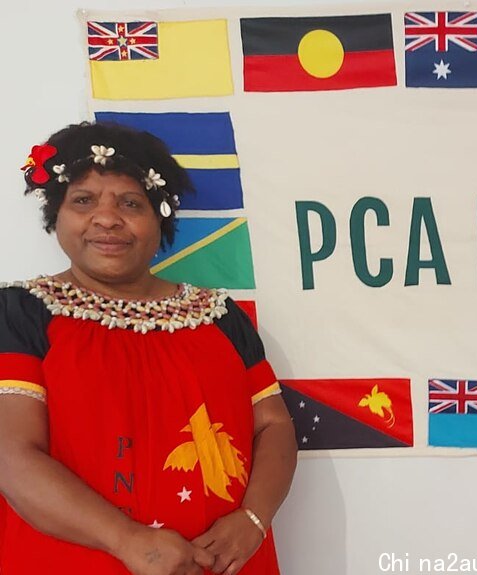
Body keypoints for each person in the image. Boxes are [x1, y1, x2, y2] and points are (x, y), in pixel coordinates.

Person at [0, 121, 298, 575]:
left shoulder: (219, 315)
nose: (107, 218)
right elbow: (11, 453)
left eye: (130, 203)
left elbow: (274, 424)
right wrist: (131, 542)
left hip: (223, 564)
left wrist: (253, 520)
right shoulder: (20, 312)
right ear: (54, 215)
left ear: (159, 219)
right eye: (83, 201)